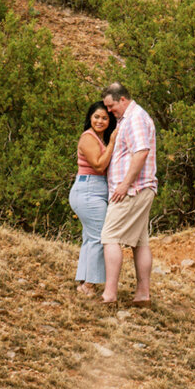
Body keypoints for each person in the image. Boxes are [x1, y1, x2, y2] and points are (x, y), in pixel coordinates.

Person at [99, 81, 157, 306]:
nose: (109, 111)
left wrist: (124, 184)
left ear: (122, 99)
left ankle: (109, 294)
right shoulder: (130, 119)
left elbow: (141, 153)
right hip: (140, 188)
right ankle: (143, 294)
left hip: (133, 189)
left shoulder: (135, 119)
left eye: (111, 106)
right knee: (140, 242)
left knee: (110, 236)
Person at [70, 103, 115, 298]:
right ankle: (90, 284)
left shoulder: (98, 138)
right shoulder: (88, 137)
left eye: (104, 118)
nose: (100, 121)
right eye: (97, 117)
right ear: (90, 117)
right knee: (99, 237)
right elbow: (98, 165)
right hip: (89, 189)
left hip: (93, 189)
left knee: (90, 238)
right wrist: (113, 143)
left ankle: (84, 283)